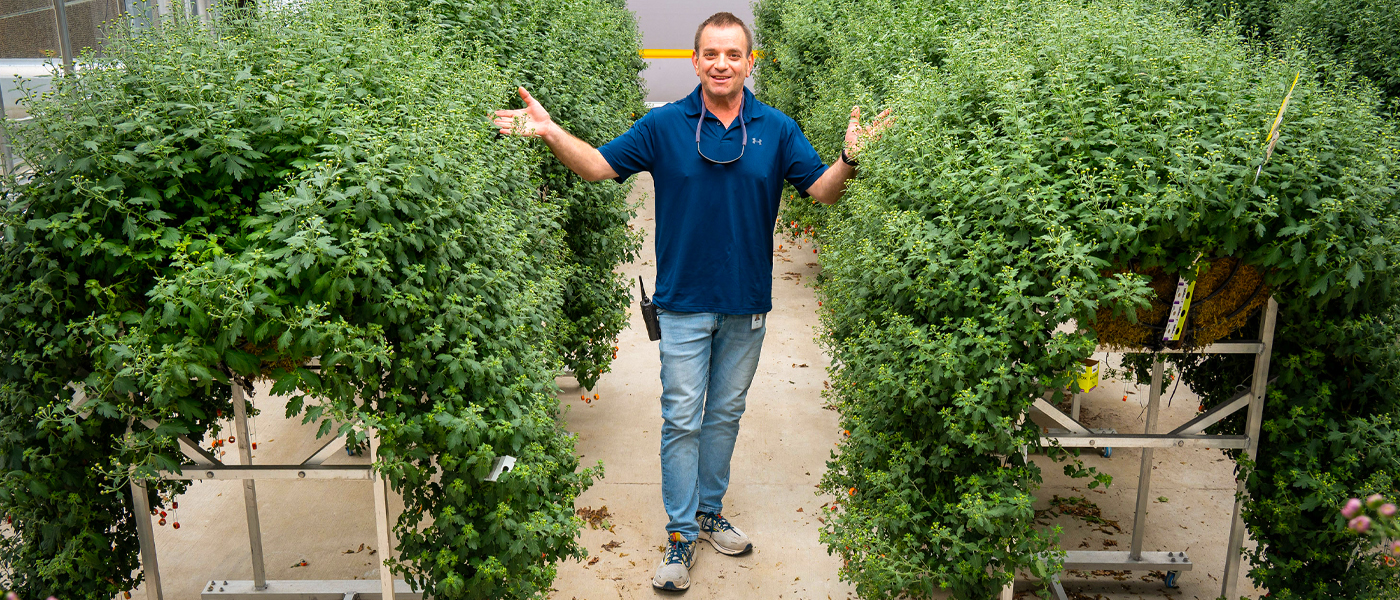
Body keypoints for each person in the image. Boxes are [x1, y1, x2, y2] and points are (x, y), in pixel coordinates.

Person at [492, 11, 890, 592]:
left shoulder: (776, 129)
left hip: (746, 303)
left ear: (750, 62)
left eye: (733, 54)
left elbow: (823, 192)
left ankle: (709, 511)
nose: (722, 63)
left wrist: (852, 158)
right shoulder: (666, 127)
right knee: (681, 418)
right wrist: (551, 132)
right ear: (695, 60)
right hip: (681, 303)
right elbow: (598, 167)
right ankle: (680, 536)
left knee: (725, 415)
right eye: (710, 54)